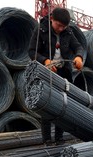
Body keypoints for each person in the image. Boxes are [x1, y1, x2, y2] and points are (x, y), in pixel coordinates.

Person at [28, 7, 84, 144]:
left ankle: (59, 137)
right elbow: (31, 51)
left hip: (63, 72)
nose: (60, 29)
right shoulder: (41, 30)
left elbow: (78, 47)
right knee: (47, 104)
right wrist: (45, 61)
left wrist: (79, 57)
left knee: (63, 105)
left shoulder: (68, 32)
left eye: (64, 27)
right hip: (45, 72)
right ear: (52, 19)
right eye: (59, 25)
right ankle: (47, 139)